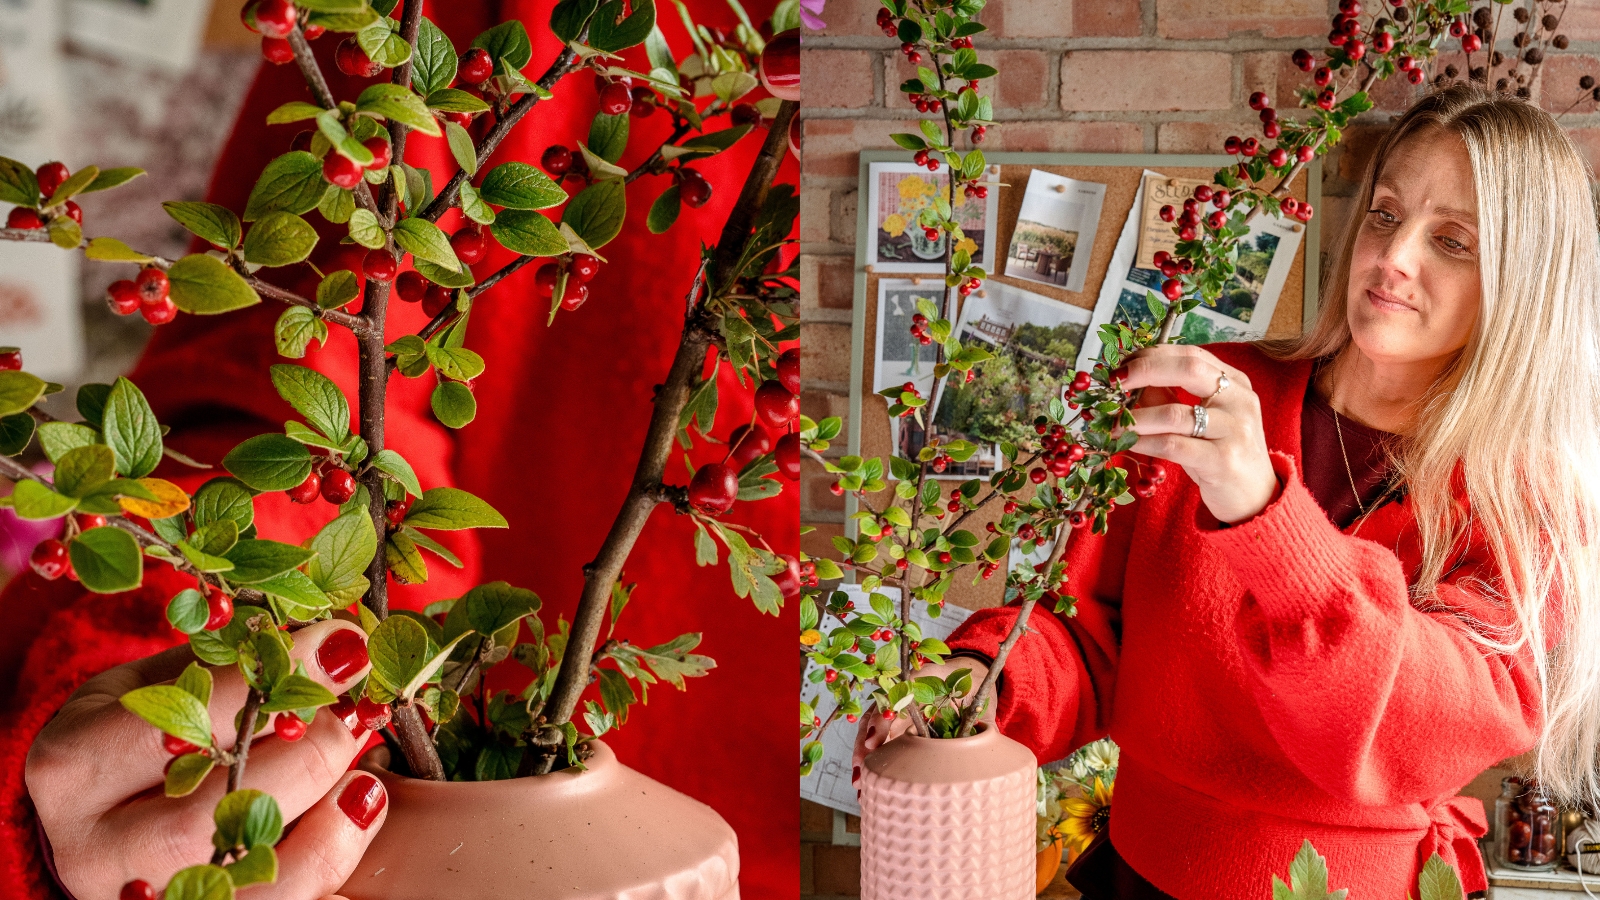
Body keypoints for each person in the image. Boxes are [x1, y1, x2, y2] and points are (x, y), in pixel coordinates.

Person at [0, 2, 798, 897]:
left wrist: (974, 667)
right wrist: (163, 722)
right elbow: (295, 413)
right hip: (427, 847)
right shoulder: (443, 37)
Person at [855, 83, 1600, 898]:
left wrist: (1264, 518)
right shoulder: (1219, 398)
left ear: (1525, 284)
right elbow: (1089, 637)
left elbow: (1410, 726)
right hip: (1137, 872)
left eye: (1452, 240)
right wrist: (980, 683)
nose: (1395, 256)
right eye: (1386, 216)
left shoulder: (1526, 504)